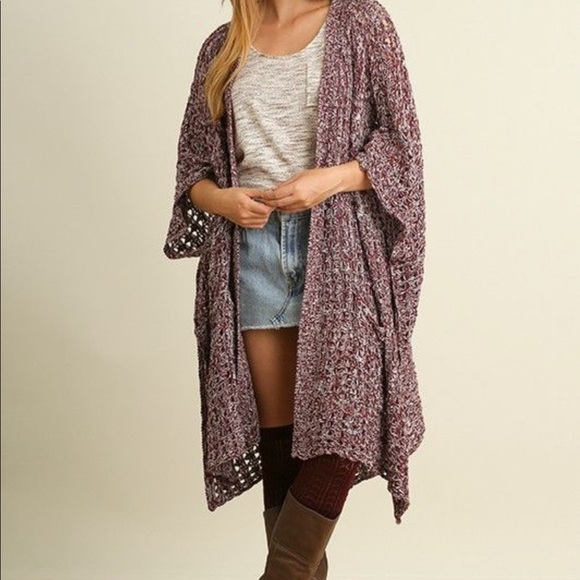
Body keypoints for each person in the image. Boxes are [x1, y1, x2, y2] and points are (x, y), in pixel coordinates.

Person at [163, 0, 426, 577]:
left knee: (342, 433)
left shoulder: (361, 23)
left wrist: (328, 180)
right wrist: (222, 200)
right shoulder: (223, 47)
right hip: (250, 255)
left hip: (340, 251)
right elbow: (193, 172)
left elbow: (400, 143)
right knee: (283, 444)